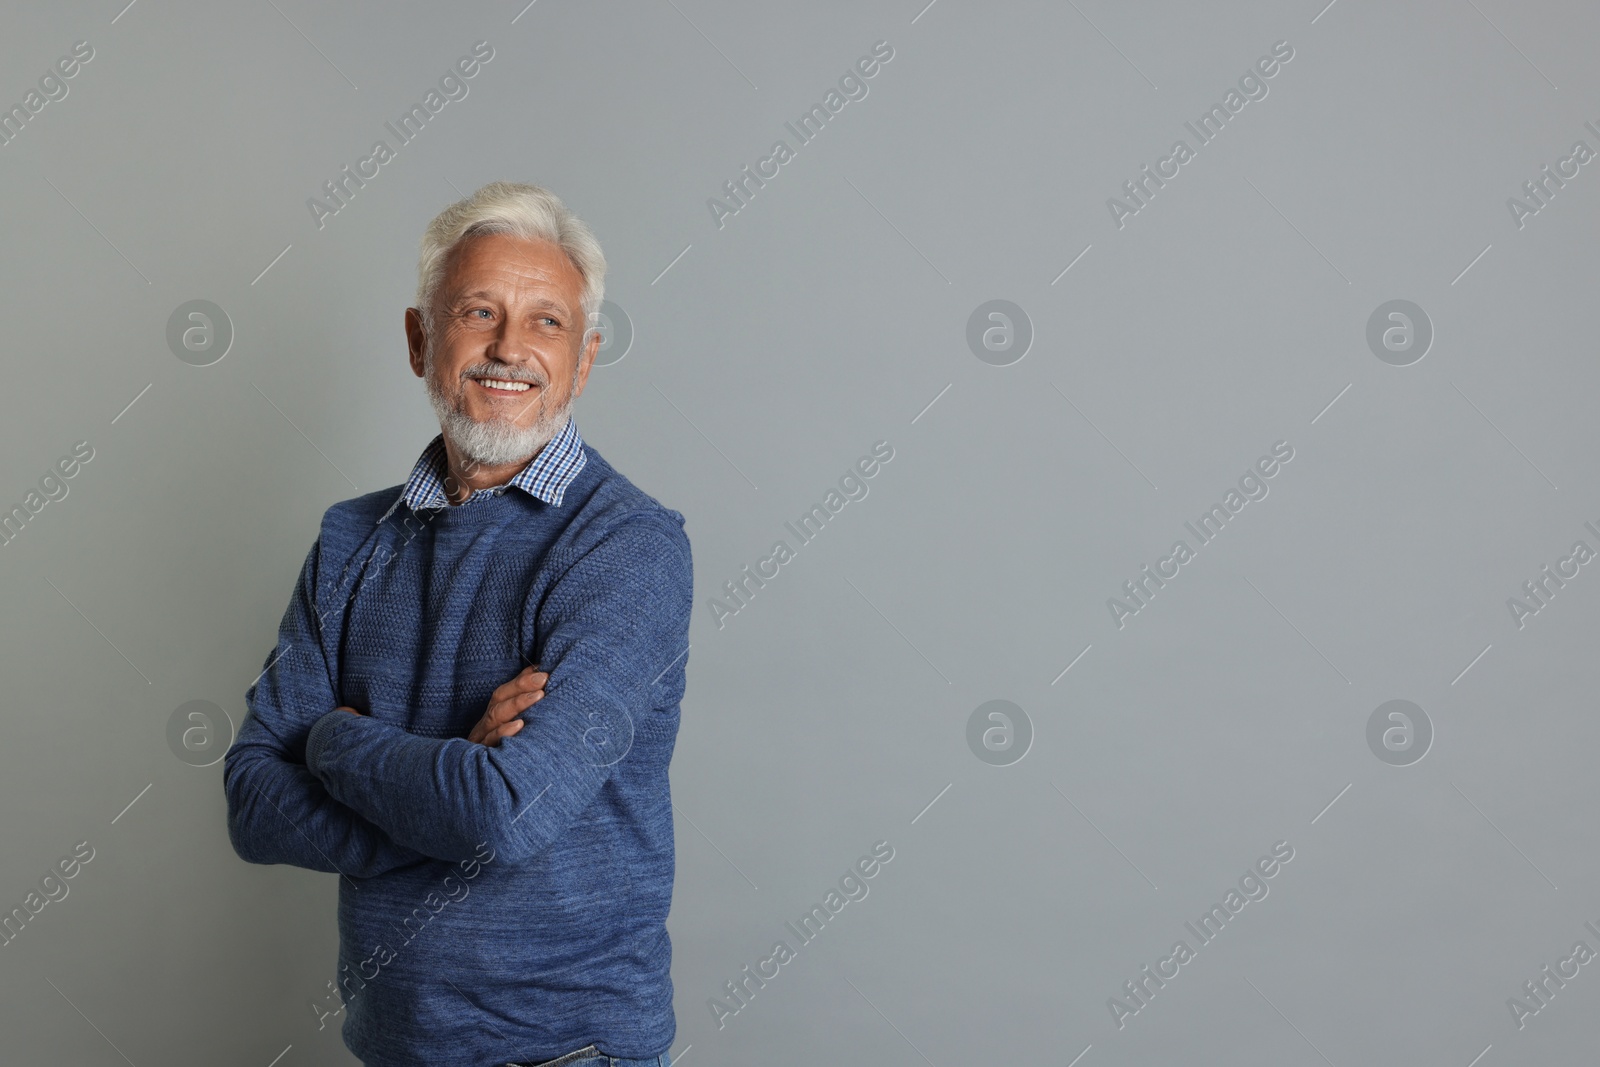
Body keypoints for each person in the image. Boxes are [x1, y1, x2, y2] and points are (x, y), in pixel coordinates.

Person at [223, 181, 692, 1067]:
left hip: (565, 1053)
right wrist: (448, 776)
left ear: (584, 359)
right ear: (420, 340)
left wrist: (332, 742)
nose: (511, 348)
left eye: (547, 322)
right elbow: (252, 801)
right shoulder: (349, 538)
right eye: (480, 312)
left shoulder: (626, 547)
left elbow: (506, 812)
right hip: (392, 1044)